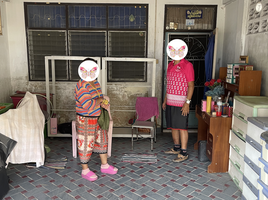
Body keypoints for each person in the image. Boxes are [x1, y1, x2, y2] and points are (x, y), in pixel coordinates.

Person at [74, 58, 118, 182]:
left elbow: (99, 99)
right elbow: (87, 105)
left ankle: (104, 165)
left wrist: (103, 104)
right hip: (86, 119)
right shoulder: (81, 86)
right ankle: (85, 170)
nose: (91, 73)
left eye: (94, 70)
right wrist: (100, 100)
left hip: (98, 117)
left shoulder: (96, 83)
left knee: (102, 140)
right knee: (86, 144)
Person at [162, 39, 195, 163]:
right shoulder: (170, 65)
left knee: (182, 127)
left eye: (178, 50)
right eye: (173, 50)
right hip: (170, 101)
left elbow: (191, 85)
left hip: (181, 103)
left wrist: (187, 103)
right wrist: (165, 99)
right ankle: (176, 148)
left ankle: (183, 152)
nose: (175, 52)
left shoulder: (187, 65)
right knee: (173, 126)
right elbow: (169, 84)